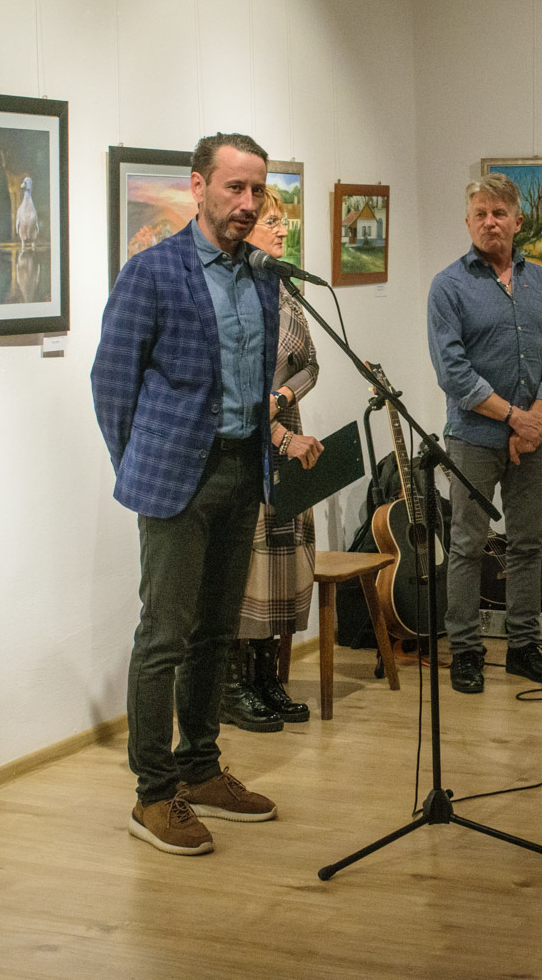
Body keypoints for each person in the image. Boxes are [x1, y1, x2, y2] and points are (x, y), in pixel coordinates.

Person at [91, 132, 321, 855]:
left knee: (217, 632)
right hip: (175, 481)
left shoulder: (262, 275)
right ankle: (154, 793)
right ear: (199, 187)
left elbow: (259, 380)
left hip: (242, 472)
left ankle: (199, 766)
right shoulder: (152, 272)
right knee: (164, 636)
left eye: (257, 190)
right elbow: (111, 383)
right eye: (234, 187)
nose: (247, 203)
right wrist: (141, 463)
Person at [427, 173, 542, 694]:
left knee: (527, 544)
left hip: (533, 438)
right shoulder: (448, 286)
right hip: (472, 438)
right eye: (481, 214)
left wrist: (536, 420)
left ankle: (523, 647)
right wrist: (515, 418)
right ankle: (466, 651)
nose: (490, 222)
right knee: (467, 546)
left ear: (517, 221)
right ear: (468, 222)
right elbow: (453, 373)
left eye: (499, 213)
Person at [223, 186, 320, 731]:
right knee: (250, 570)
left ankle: (267, 679)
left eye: (284, 221)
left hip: (286, 432)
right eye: (273, 222)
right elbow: (236, 392)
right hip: (254, 446)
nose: (283, 230)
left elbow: (310, 365)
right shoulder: (234, 292)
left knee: (283, 563)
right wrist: (277, 433)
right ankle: (234, 686)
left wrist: (281, 399)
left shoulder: (284, 287)